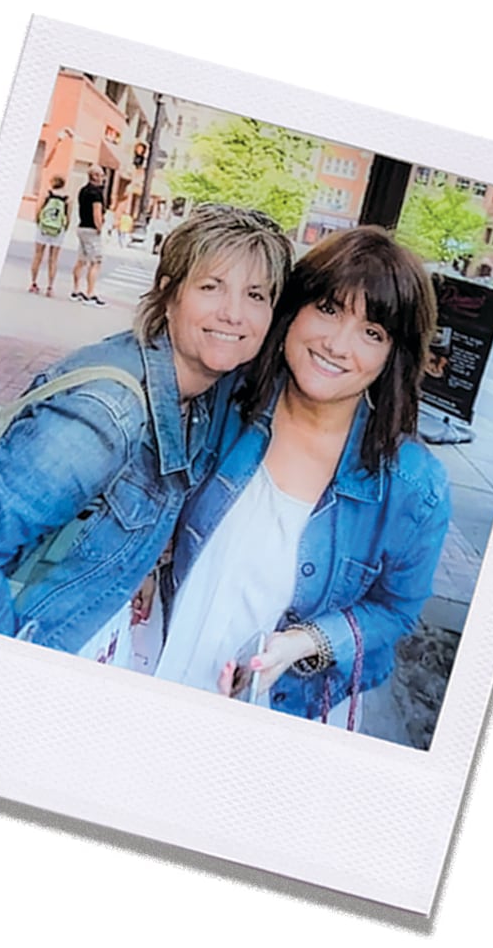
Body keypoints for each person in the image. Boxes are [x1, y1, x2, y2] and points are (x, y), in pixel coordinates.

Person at [0, 204, 293, 658]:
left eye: (256, 295)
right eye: (211, 287)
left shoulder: (197, 394)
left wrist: (140, 562)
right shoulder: (106, 418)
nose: (233, 313)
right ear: (169, 295)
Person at [158, 226, 451, 727]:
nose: (338, 344)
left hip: (282, 711)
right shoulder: (227, 401)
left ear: (390, 358)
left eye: (372, 332)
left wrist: (305, 643)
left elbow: (395, 611)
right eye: (329, 309)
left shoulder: (412, 486)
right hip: (159, 657)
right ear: (293, 311)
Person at [69, 165, 109, 305]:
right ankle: (90, 293)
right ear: (96, 176)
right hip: (92, 229)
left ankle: (75, 290)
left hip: (82, 227)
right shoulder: (96, 193)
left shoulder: (83, 190)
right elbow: (96, 211)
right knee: (95, 262)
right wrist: (99, 226)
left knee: (81, 260)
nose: (103, 178)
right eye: (102, 175)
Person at [29, 175, 70, 297]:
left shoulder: (47, 195)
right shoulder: (67, 199)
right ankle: (50, 287)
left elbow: (38, 209)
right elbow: (68, 217)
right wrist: (64, 228)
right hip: (57, 230)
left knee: (38, 255)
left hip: (44, 228)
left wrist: (38, 222)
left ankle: (34, 283)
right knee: (53, 259)